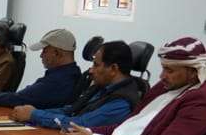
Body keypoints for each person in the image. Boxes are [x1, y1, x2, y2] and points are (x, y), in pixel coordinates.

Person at [62, 37, 206, 135]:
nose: (162, 76)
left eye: (170, 70)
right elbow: (127, 125)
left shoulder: (203, 100)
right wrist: (86, 132)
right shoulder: (165, 86)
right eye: (163, 68)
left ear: (193, 72)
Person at [8, 41, 141, 129]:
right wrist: (32, 112)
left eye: (96, 65)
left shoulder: (122, 102)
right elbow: (72, 110)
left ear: (113, 69)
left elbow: (81, 124)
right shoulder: (103, 87)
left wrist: (35, 115)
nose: (91, 70)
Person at [0, 28, 82, 108]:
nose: (41, 55)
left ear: (57, 53)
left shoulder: (58, 81)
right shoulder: (69, 74)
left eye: (44, 51)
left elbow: (17, 98)